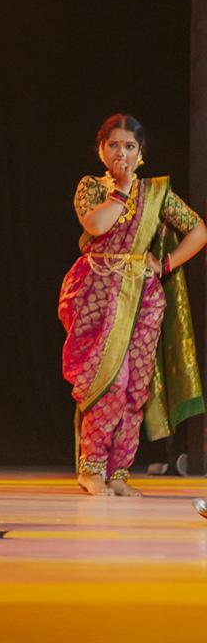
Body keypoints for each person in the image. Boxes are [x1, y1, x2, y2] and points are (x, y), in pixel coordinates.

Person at [59, 113, 207, 497]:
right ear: (101, 150)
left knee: (135, 389)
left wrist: (166, 264)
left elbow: (198, 230)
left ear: (141, 153)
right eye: (113, 145)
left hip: (144, 297)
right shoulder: (91, 187)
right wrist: (122, 190)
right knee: (108, 381)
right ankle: (91, 469)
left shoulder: (156, 193)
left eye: (129, 146)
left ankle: (119, 473)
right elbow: (96, 226)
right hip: (97, 294)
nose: (121, 153)